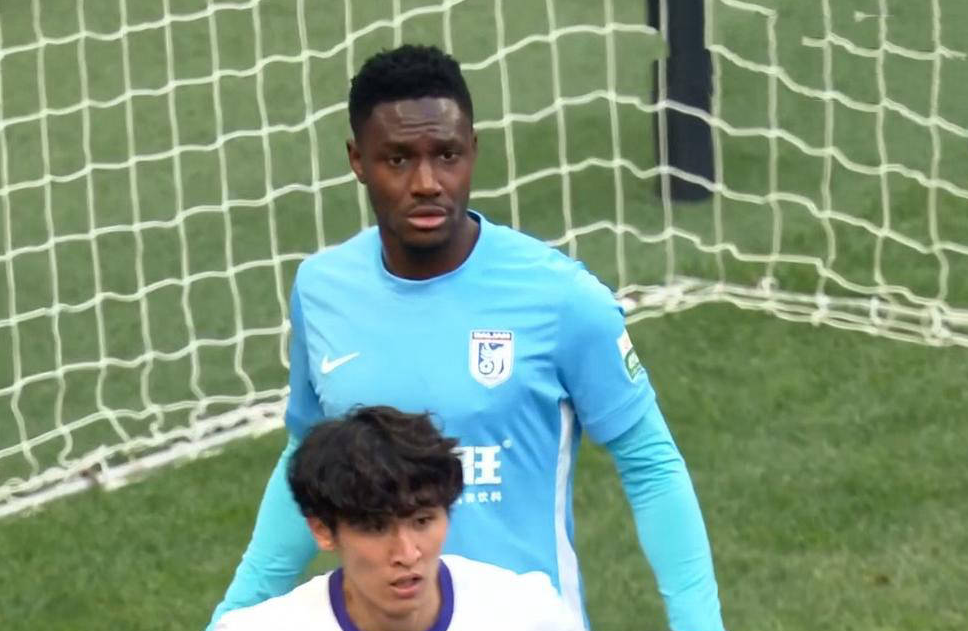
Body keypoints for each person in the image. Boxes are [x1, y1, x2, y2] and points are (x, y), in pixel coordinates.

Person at [207, 44, 723, 631]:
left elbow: (651, 465)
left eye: (447, 155)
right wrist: (236, 611)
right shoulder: (322, 290)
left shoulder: (561, 298)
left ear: (473, 150)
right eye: (398, 159)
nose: (427, 182)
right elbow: (306, 457)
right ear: (357, 160)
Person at [215, 405, 586, 631]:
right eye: (376, 528)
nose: (407, 553)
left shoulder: (527, 615)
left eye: (422, 522)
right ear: (323, 531)